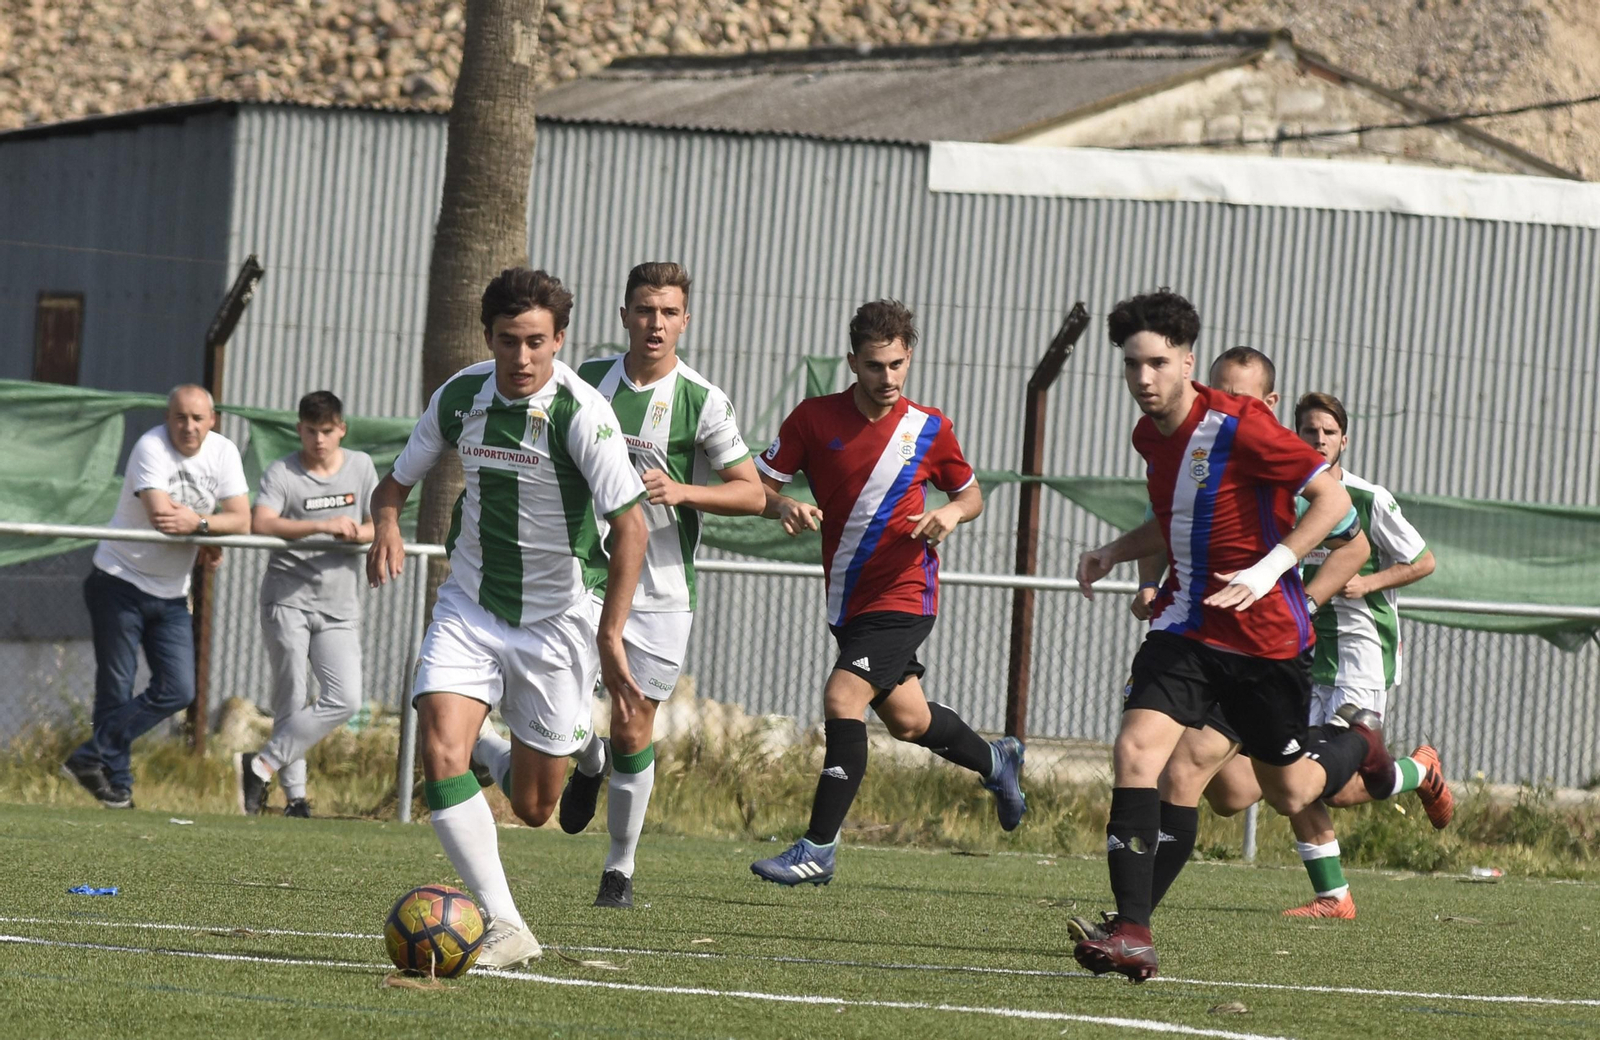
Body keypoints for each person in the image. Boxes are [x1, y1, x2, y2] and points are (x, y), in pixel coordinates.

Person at [1073, 290, 1398, 982]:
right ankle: (1133, 930)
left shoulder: (1242, 426)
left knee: (1287, 792)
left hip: (1268, 644)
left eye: (1157, 363)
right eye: (1132, 365)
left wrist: (1271, 568)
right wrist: (1113, 553)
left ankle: (1357, 743)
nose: (1143, 379)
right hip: (1189, 629)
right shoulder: (1149, 436)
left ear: (1186, 362)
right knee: (1143, 755)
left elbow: (1335, 507)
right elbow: (1173, 519)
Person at [367, 268, 648, 969]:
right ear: (487, 337)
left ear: (559, 339)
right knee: (438, 747)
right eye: (506, 342)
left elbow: (633, 527)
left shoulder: (583, 415)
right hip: (472, 603)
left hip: (559, 622)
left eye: (535, 343)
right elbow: (395, 482)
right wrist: (387, 525)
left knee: (531, 808)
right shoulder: (461, 395)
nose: (521, 359)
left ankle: (583, 747)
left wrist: (610, 636)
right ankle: (506, 922)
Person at [473, 261, 765, 910]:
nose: (654, 323)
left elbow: (751, 492)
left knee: (635, 724)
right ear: (624, 315)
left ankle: (619, 871)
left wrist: (682, 490)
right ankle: (583, 757)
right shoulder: (584, 383)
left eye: (667, 312)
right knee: (559, 709)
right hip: (588, 581)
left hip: (661, 591)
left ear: (685, 320)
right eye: (643, 310)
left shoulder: (702, 400)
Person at [748, 299, 1026, 887]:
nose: (889, 378)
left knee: (842, 698)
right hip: (848, 598)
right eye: (876, 366)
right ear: (853, 361)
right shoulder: (812, 419)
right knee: (908, 719)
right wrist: (784, 505)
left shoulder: (929, 426)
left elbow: (971, 494)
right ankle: (997, 761)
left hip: (906, 593)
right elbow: (758, 486)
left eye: (898, 364)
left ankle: (817, 849)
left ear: (910, 357)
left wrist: (951, 512)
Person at [1282, 390, 1453, 918]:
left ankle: (1418, 772)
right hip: (1303, 654)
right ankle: (1334, 896)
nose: (1317, 440)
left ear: (1343, 441)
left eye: (1327, 433)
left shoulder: (1368, 497)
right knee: (1297, 773)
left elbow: (1423, 561)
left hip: (1361, 654)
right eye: (1309, 431)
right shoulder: (1285, 495)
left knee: (1326, 782)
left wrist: (1369, 581)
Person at [60, 384, 250, 809]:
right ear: (168, 418)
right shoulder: (151, 447)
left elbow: (243, 519)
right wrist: (210, 529)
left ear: (212, 420)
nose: (188, 426)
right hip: (118, 581)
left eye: (198, 418)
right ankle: (119, 787)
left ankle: (90, 757)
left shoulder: (224, 453)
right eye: (180, 417)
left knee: (179, 689)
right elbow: (163, 518)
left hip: (170, 594)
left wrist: (202, 528)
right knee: (117, 687)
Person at [235, 391, 379, 818]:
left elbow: (378, 525)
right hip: (288, 599)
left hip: (339, 605)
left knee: (345, 698)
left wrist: (359, 533)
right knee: (291, 698)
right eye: (311, 431)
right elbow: (262, 522)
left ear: (342, 430)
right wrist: (321, 525)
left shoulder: (361, 467)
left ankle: (259, 764)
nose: (319, 440)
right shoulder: (283, 471)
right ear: (299, 429)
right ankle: (295, 798)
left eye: (328, 431)